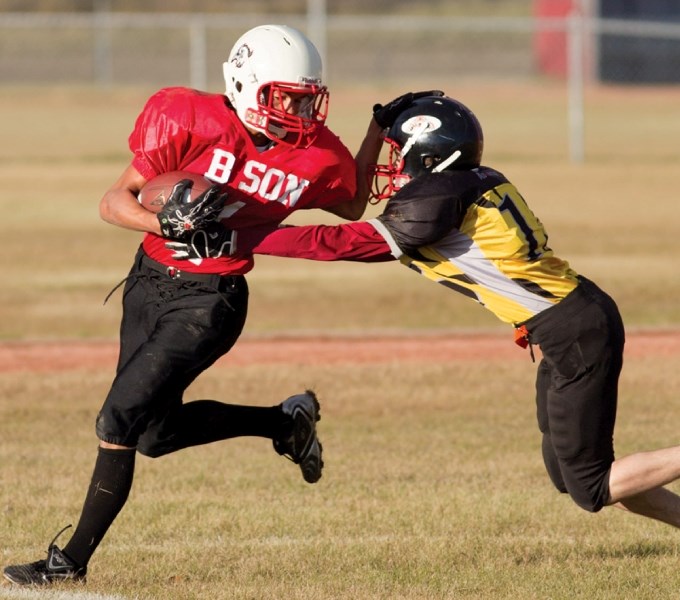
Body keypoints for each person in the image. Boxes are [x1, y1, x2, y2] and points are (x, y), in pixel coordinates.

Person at [2, 24, 420, 586]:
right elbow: (112, 201)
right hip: (149, 282)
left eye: (306, 97)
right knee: (152, 435)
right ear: (246, 84)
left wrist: (373, 129)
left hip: (211, 300)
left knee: (118, 418)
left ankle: (67, 564)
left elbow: (349, 205)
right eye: (286, 96)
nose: (300, 110)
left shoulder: (316, 154)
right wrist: (164, 221)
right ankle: (283, 423)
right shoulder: (186, 117)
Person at [227, 94, 680, 530]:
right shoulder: (468, 180)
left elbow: (343, 242)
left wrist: (249, 236)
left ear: (429, 155)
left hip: (572, 328)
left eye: (398, 152)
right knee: (571, 474)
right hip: (568, 322)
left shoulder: (438, 197)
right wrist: (375, 127)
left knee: (590, 485)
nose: (393, 165)